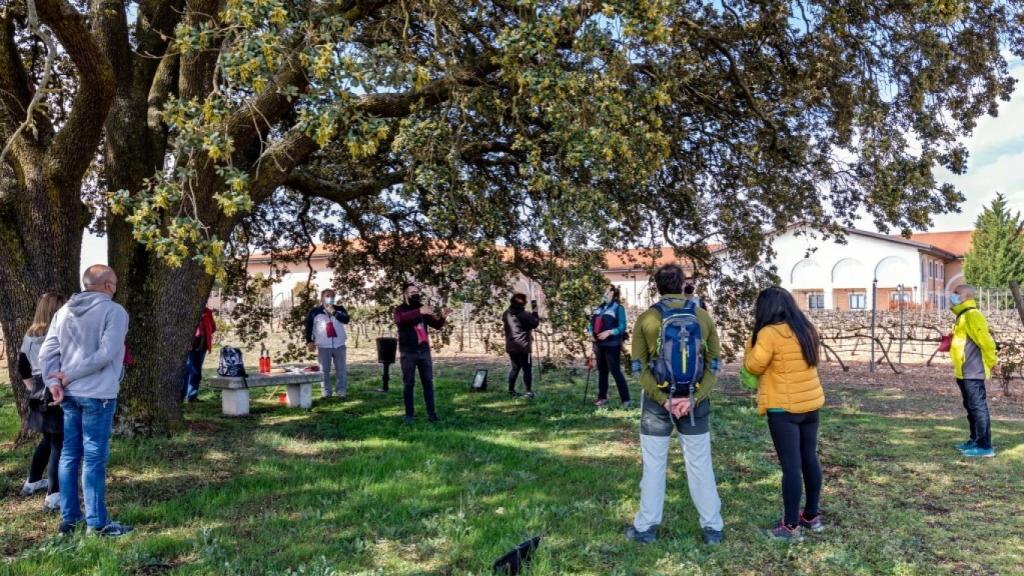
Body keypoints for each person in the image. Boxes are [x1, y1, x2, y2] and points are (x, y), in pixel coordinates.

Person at [626, 264, 724, 546]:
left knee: (654, 465)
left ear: (657, 286)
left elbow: (638, 368)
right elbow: (713, 365)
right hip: (696, 402)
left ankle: (646, 528)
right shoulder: (703, 317)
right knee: (700, 465)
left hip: (658, 405)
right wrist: (694, 397)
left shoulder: (646, 319)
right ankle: (712, 528)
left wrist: (663, 400)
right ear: (683, 285)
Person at [39, 264, 132, 537]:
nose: (114, 289)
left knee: (69, 455)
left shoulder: (63, 311)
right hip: (98, 394)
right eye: (113, 283)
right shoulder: (114, 311)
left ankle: (69, 520)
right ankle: (97, 523)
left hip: (69, 395)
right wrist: (65, 377)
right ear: (107, 286)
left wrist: (54, 382)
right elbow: (107, 352)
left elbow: (47, 353)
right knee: (93, 458)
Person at [741, 286, 826, 541]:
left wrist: (751, 342)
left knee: (791, 467)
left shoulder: (768, 333)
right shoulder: (806, 328)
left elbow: (753, 365)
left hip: (783, 409)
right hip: (810, 404)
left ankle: (790, 526)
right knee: (809, 458)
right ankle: (811, 516)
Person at [18, 292, 66, 512]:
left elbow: (22, 368)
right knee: (59, 442)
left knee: (48, 440)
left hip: (38, 391)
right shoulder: (58, 333)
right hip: (55, 391)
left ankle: (33, 480)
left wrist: (34, 388)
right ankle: (54, 494)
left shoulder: (29, 335)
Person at [948, 284, 998, 458]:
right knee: (970, 408)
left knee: (978, 407)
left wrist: (993, 362)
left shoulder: (972, 315)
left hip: (973, 371)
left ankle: (985, 446)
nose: (952, 296)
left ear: (966, 297)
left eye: (956, 294)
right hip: (963, 371)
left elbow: (986, 341)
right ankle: (975, 440)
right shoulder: (961, 316)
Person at [394, 284, 448, 424]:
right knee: (409, 383)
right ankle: (409, 415)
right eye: (412, 292)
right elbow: (401, 319)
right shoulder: (400, 310)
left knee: (428, 383)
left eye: (417, 292)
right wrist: (419, 311)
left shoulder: (423, 308)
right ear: (405, 294)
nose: (415, 294)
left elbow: (436, 325)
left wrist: (443, 317)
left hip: (423, 351)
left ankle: (431, 413)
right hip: (408, 352)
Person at [589, 285, 631, 407]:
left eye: (606, 291)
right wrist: (590, 332)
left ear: (612, 293)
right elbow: (591, 324)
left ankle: (626, 400)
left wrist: (609, 332)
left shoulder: (618, 308)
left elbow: (622, 326)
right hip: (598, 344)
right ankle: (602, 397)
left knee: (615, 371)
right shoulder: (598, 308)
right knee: (602, 371)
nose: (604, 293)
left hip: (612, 344)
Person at [304, 289, 351, 399]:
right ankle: (326, 392)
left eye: (332, 296)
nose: (330, 297)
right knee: (324, 370)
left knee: (341, 369)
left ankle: (341, 391)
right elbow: (308, 327)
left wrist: (333, 312)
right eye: (327, 295)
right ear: (322, 298)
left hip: (339, 344)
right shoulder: (315, 312)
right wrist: (309, 341)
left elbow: (346, 320)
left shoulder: (340, 309)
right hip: (323, 346)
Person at [502, 293, 541, 398]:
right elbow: (535, 323)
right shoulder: (524, 314)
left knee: (515, 368)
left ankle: (511, 390)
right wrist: (535, 308)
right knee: (527, 369)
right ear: (522, 302)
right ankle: (528, 392)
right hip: (524, 347)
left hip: (511, 346)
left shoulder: (506, 313)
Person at [181, 306, 216, 402]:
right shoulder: (187, 311)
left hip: (202, 346)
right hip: (189, 346)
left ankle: (192, 397)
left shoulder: (208, 312)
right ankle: (180, 397)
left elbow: (213, 327)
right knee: (186, 371)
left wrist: (206, 334)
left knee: (196, 372)